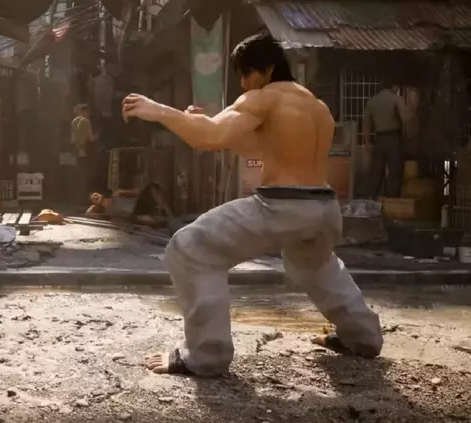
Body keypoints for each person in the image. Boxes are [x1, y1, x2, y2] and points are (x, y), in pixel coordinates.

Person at [121, 32, 383, 377]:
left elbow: (210, 136)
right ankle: (363, 337)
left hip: (284, 206)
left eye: (247, 73)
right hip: (324, 210)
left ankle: (206, 355)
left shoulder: (263, 97)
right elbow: (255, 147)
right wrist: (199, 121)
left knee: (190, 248)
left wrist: (159, 111)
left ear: (268, 69)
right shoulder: (316, 107)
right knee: (315, 267)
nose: (244, 83)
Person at [363, 81, 409, 198]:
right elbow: (405, 119)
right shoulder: (396, 99)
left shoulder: (371, 101)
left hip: (379, 139)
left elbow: (367, 124)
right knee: (394, 171)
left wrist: (367, 142)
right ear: (393, 86)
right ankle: (391, 200)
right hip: (393, 138)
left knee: (376, 172)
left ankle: (371, 199)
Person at [86, 184, 174, 226]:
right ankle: (166, 223)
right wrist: (92, 207)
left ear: (101, 193)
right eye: (93, 199)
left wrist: (137, 192)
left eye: (95, 194)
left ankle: (170, 216)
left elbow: (136, 192)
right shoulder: (107, 212)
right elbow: (88, 215)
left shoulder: (116, 194)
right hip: (134, 215)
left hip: (138, 203)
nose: (95, 197)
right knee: (138, 218)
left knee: (152, 187)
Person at [71, 103, 99, 197]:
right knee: (88, 175)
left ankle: (79, 195)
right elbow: (91, 138)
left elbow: (72, 139)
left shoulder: (73, 122)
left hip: (78, 151)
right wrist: (98, 136)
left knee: (80, 175)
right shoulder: (86, 121)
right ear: (84, 111)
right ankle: (87, 196)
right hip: (87, 150)